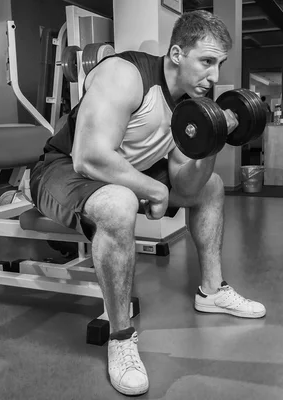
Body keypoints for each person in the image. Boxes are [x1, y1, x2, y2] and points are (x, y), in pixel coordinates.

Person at [29, 10, 266, 396]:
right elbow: (88, 156)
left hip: (120, 175)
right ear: (176, 53)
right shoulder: (125, 74)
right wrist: (153, 191)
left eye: (219, 64)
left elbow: (188, 190)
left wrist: (213, 139)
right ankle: (121, 338)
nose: (215, 76)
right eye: (206, 61)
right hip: (63, 169)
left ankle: (212, 291)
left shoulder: (188, 107)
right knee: (120, 201)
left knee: (212, 186)